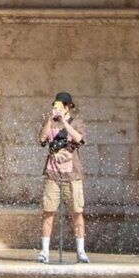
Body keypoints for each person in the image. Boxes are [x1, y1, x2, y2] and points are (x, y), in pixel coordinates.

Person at [37, 92, 88, 264]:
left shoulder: (77, 122)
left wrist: (65, 123)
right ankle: (44, 251)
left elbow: (79, 139)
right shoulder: (50, 122)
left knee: (77, 212)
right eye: (57, 105)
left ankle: (81, 251)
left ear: (69, 107)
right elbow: (42, 139)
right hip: (52, 173)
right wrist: (49, 120)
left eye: (63, 106)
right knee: (48, 212)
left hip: (72, 174)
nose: (59, 109)